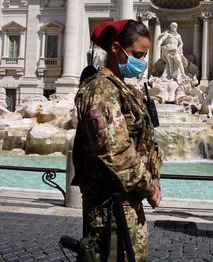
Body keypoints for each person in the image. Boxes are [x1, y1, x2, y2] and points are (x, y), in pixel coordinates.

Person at [72, 19, 162, 261]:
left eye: (144, 56)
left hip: (127, 200)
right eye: (137, 54)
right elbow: (114, 150)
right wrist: (149, 186)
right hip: (110, 206)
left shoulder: (123, 89)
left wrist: (152, 178)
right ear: (115, 49)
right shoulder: (101, 90)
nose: (142, 62)